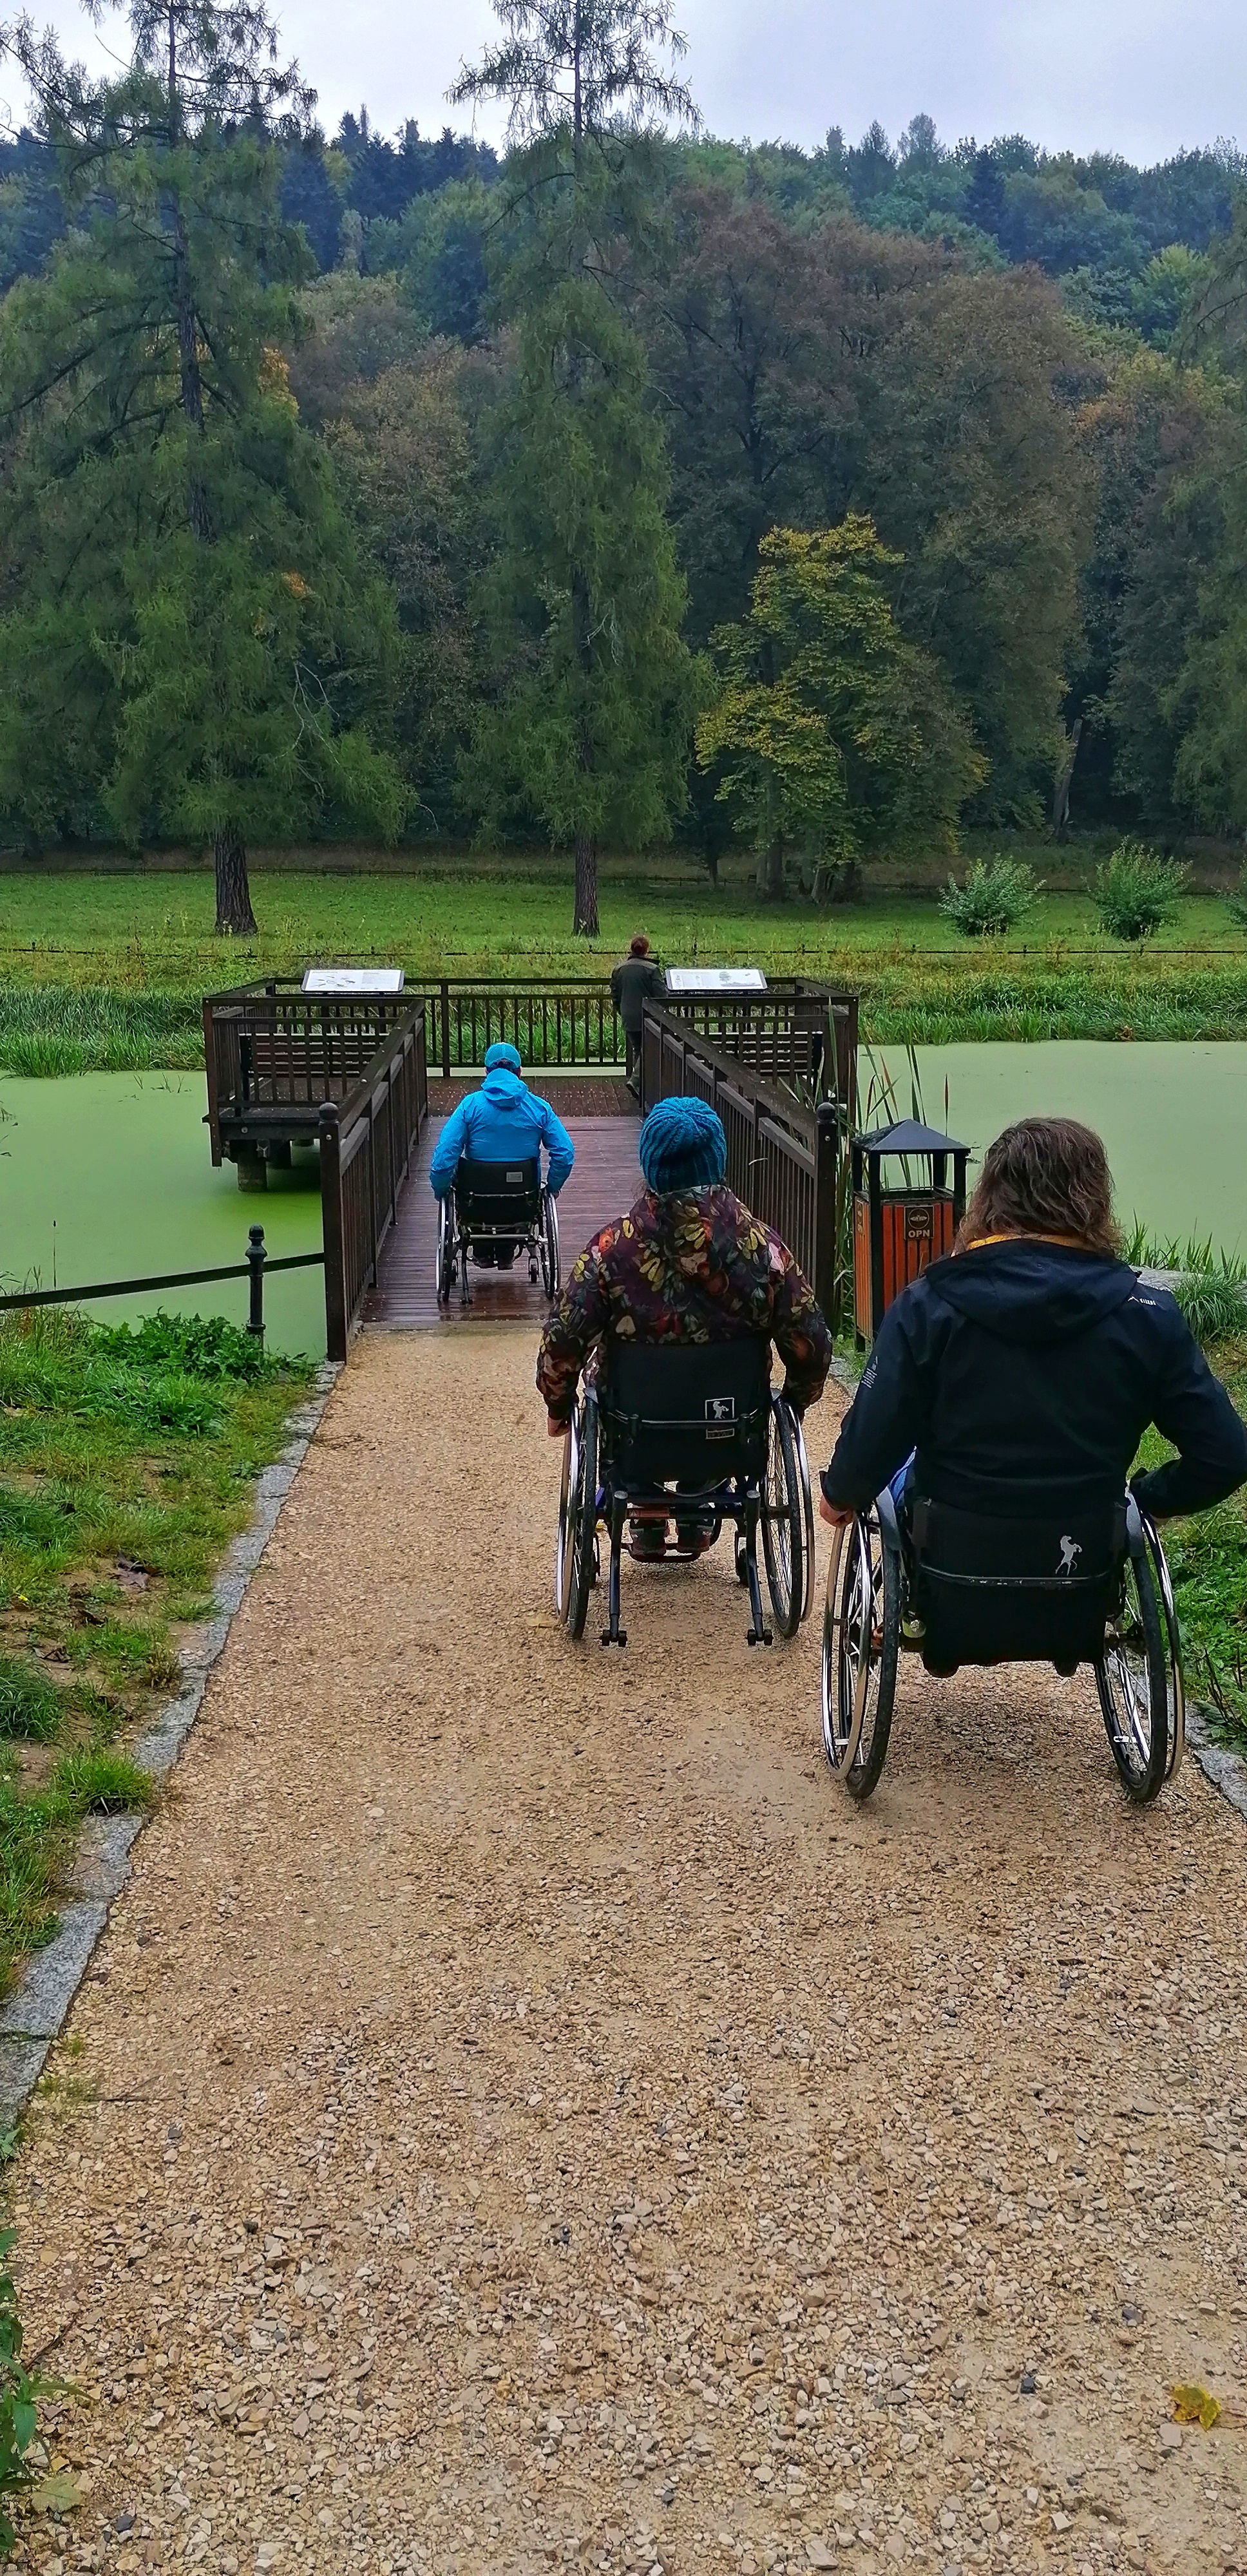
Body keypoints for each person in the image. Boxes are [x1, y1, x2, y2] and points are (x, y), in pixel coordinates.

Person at [819, 1115, 1247, 1534]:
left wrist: (839, 1495)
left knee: (905, 1464)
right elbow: (1226, 1455)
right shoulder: (1149, 1315)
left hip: (954, 1557)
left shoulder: (925, 1308)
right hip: (1086, 1556)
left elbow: (874, 1436)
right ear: (1095, 1201)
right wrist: (1148, 1497)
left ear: (990, 1198)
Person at [538, 1094, 833, 1551]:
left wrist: (559, 1407)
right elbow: (811, 1341)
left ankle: (647, 1506)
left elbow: (563, 1343)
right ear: (717, 1161)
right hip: (727, 1425)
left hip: (636, 1429)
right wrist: (795, 1399)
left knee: (610, 1383)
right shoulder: (763, 1250)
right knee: (721, 1391)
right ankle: (701, 1494)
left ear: (650, 1165)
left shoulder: (610, 1251)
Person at [430, 1042, 574, 1268]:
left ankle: (483, 1251)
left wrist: (440, 1189)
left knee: (466, 1178)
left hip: (475, 1200)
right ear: (519, 1072)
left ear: (487, 1072)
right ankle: (507, 1248)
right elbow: (564, 1154)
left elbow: (445, 1156)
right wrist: (552, 1187)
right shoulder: (539, 1108)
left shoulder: (470, 1106)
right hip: (523, 1199)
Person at [611, 933, 664, 1095]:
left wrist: (621, 1010)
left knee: (638, 1049)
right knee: (649, 1049)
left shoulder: (619, 970)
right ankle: (636, 1081)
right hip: (647, 1016)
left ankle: (639, 1085)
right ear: (646, 950)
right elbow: (661, 994)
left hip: (627, 1014)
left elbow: (615, 994)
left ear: (631, 949)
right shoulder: (652, 970)